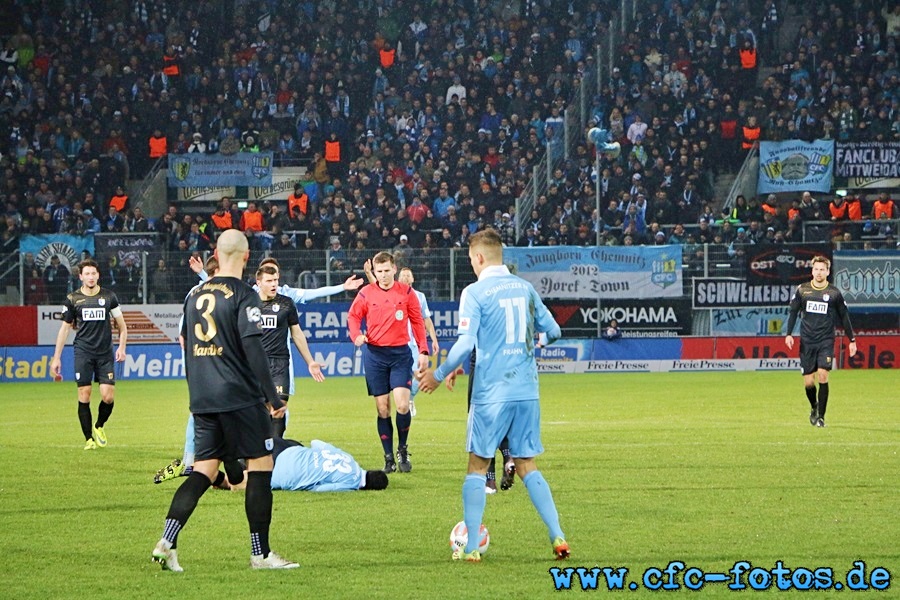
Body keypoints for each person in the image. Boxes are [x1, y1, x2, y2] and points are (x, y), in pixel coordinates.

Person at [151, 229, 297, 572]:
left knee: (203, 470)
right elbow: (253, 348)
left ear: (216, 252)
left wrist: (195, 393)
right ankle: (260, 555)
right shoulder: (245, 295)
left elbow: (187, 347)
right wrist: (272, 396)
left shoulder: (194, 295)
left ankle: (167, 541)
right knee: (261, 467)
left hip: (203, 397)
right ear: (247, 257)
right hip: (240, 396)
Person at [418, 229, 569, 562]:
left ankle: (471, 547)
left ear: (479, 258)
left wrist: (438, 374)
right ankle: (557, 535)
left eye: (472, 259)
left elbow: (465, 344)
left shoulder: (475, 291)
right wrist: (533, 347)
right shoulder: (526, 288)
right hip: (527, 391)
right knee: (527, 463)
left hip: (491, 394)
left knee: (477, 466)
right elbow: (554, 331)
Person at [348, 251, 429, 474]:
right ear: (374, 272)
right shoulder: (366, 293)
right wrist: (356, 335)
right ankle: (388, 457)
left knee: (402, 405)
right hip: (375, 356)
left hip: (400, 354)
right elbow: (353, 317)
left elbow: (417, 321)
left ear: (394, 269)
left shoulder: (406, 292)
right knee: (383, 408)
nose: (383, 275)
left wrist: (423, 349)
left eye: (387, 271)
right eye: (379, 272)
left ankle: (402, 449)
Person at [50, 259, 127, 450]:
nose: (91, 277)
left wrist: (122, 347)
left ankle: (99, 426)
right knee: (84, 394)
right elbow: (64, 330)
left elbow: (122, 327)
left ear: (98, 275)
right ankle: (88, 439)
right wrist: (56, 357)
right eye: (87, 274)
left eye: (94, 273)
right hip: (83, 352)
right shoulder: (73, 299)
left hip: (105, 353)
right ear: (81, 276)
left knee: (107, 396)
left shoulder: (109, 297)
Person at [785, 256, 857, 428]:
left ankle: (822, 417)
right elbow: (793, 313)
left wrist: (852, 340)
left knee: (823, 375)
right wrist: (788, 334)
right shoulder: (802, 290)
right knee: (809, 382)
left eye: (822, 270)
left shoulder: (834, 293)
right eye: (816, 269)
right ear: (812, 271)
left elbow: (844, 317)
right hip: (807, 341)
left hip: (826, 340)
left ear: (827, 272)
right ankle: (814, 407)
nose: (819, 273)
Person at [255, 263, 325, 438]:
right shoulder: (248, 304)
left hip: (279, 364)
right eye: (269, 281)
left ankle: (275, 451)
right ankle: (257, 456)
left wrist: (310, 361)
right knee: (260, 413)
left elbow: (297, 334)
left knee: (278, 409)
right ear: (259, 282)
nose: (273, 284)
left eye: (276, 280)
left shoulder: (286, 304)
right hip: (255, 364)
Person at [363, 261, 439, 418]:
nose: (405, 277)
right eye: (403, 275)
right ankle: (403, 398)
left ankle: (410, 397)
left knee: (420, 373)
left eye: (408, 274)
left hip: (415, 343)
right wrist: (369, 274)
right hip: (399, 343)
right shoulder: (392, 291)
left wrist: (434, 339)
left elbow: (426, 320)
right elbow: (375, 289)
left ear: (413, 278)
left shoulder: (419, 296)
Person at [225, 438, 389, 493]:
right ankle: (225, 470)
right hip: (285, 473)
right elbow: (320, 489)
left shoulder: (349, 459)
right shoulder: (350, 484)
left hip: (289, 450)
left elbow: (315, 442)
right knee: (243, 481)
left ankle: (236, 455)